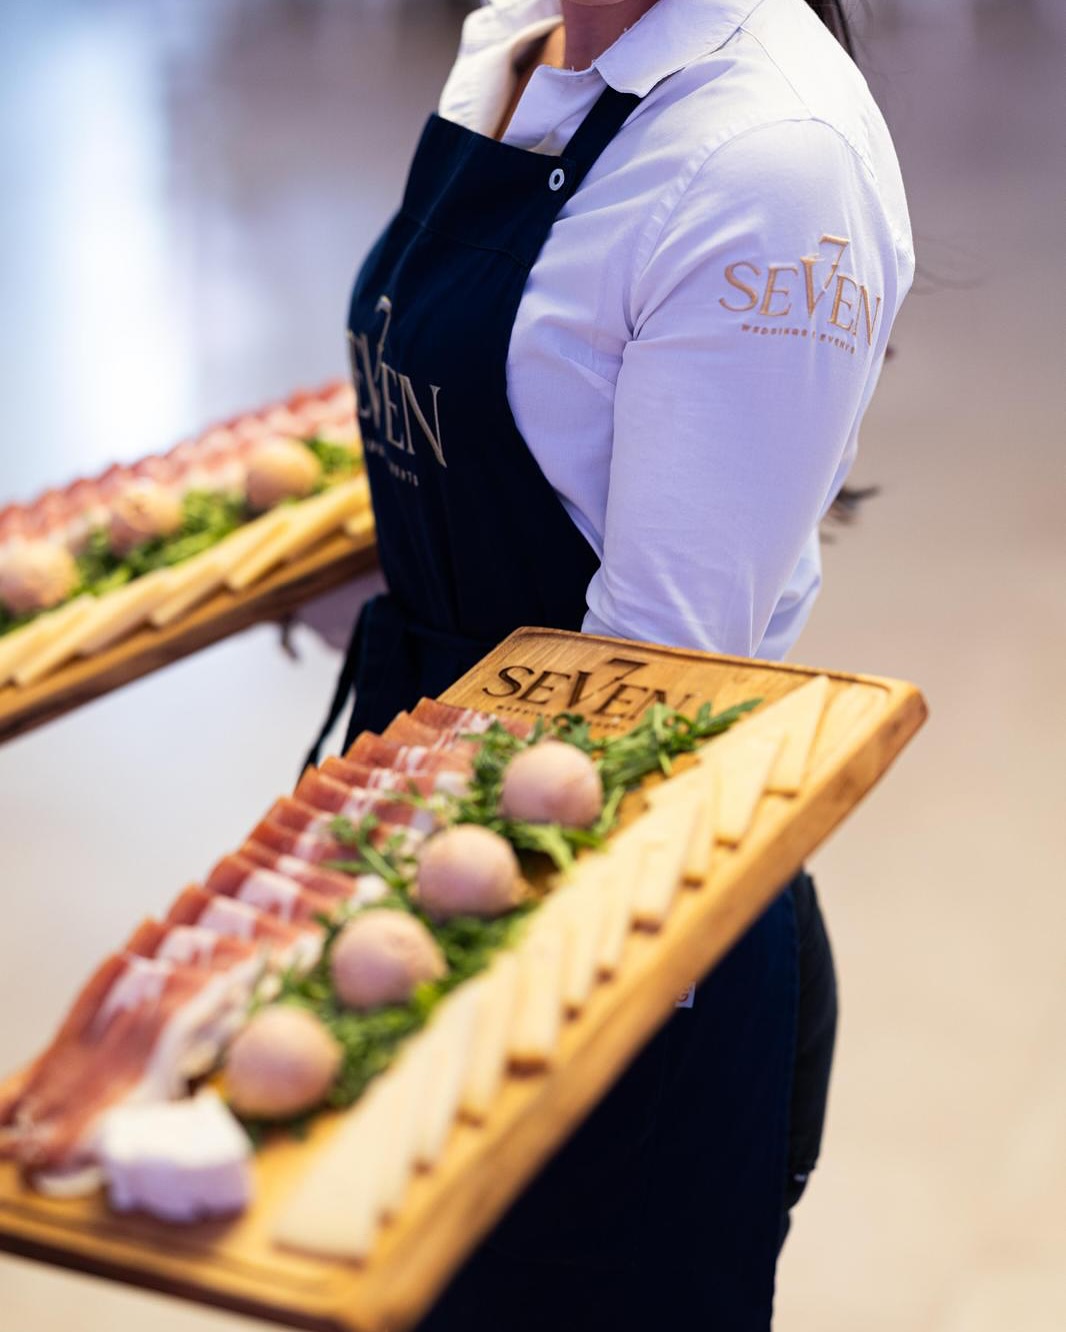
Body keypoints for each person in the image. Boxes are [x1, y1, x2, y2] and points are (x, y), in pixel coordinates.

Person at [308, 0, 913, 1326]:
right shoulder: (512, 36)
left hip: (611, 951)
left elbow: (649, 695)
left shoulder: (771, 158)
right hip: (425, 835)